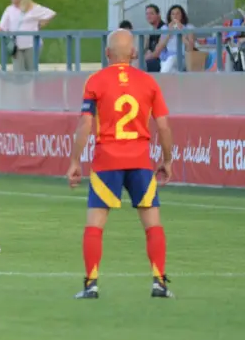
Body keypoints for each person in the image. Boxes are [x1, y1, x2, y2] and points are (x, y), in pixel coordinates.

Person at [66, 29, 174, 299]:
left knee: (95, 225)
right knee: (152, 224)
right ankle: (159, 283)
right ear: (135, 53)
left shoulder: (96, 81)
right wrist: (168, 159)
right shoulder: (149, 83)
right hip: (140, 160)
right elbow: (163, 125)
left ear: (106, 54)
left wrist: (75, 160)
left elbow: (86, 122)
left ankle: (91, 284)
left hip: (107, 160)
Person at [0, 0, 56, 72]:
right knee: (18, 73)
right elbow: (2, 27)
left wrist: (41, 24)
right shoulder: (9, 10)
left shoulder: (33, 8)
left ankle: (31, 85)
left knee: (31, 72)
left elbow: (51, 14)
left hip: (32, 46)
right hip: (16, 46)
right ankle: (20, 86)